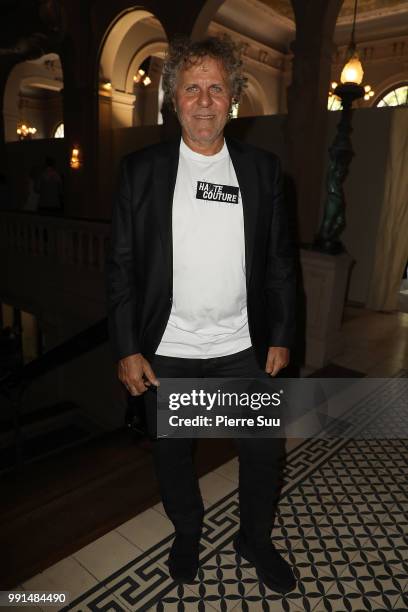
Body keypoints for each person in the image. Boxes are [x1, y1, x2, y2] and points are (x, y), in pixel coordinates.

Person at [105, 35, 297, 594]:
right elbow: (120, 267)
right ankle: (187, 530)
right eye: (193, 88)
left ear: (234, 97)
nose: (206, 100)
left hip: (244, 349)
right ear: (174, 99)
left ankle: (254, 540)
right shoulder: (140, 172)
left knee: (264, 454)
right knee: (173, 456)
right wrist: (126, 346)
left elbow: (280, 262)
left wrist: (282, 333)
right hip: (170, 352)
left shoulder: (263, 170)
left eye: (217, 87)